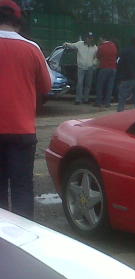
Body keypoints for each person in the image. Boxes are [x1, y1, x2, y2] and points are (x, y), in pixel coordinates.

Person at [0, 0, 52, 219]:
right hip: (22, 131)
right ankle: (22, 243)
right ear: (19, 21)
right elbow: (47, 85)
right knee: (22, 189)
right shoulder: (32, 48)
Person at [64, 32, 97, 105]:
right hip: (81, 67)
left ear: (92, 39)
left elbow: (96, 57)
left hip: (90, 68)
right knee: (80, 83)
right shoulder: (80, 44)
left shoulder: (95, 48)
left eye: (91, 38)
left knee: (88, 84)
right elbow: (72, 45)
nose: (89, 39)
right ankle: (78, 99)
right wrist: (66, 44)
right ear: (86, 38)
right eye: (88, 38)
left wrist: (93, 63)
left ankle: (86, 99)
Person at [117, 36, 135, 112]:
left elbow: (119, 64)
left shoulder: (124, 51)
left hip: (125, 78)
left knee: (122, 100)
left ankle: (119, 116)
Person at [94, 34, 118, 107]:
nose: (99, 40)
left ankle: (98, 102)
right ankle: (107, 102)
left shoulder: (102, 47)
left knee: (100, 86)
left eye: (100, 39)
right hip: (113, 68)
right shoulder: (113, 45)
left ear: (102, 39)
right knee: (109, 86)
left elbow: (98, 56)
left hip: (104, 68)